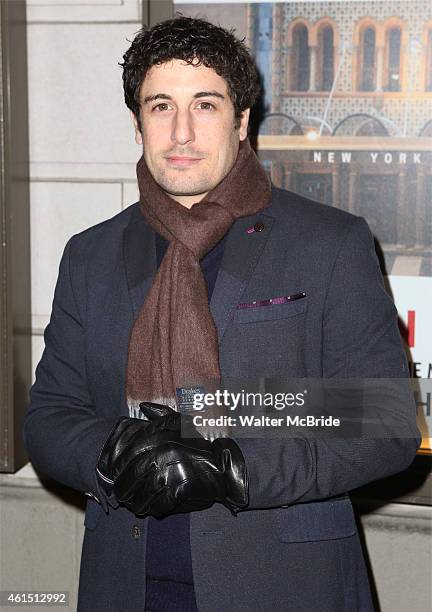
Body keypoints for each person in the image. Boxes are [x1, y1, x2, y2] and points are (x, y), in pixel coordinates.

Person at [23, 16, 420, 612]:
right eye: (161, 106)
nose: (181, 130)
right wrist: (110, 453)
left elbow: (382, 419)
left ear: (240, 121)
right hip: (125, 586)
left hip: (284, 586)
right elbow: (50, 417)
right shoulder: (91, 254)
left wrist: (234, 464)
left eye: (204, 104)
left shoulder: (329, 243)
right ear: (137, 125)